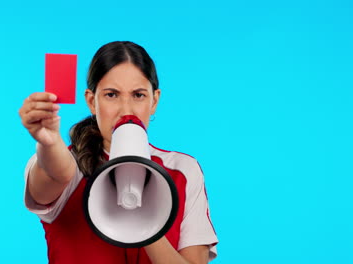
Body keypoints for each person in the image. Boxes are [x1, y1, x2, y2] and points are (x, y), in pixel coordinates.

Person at [19, 41, 218, 264]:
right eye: (112, 95)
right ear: (92, 102)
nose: (126, 109)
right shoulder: (61, 160)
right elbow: (59, 172)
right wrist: (49, 142)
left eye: (139, 95)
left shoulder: (183, 170)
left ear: (154, 101)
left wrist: (145, 225)